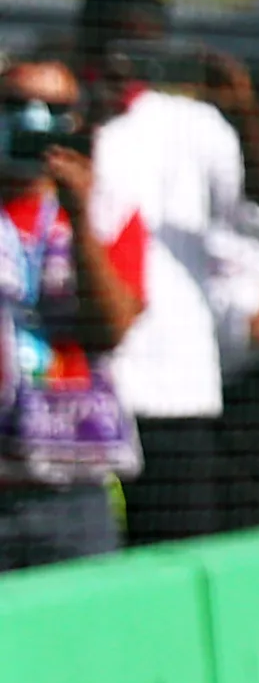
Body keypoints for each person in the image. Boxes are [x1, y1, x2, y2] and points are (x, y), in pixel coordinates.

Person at [77, 0, 259, 542]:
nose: (132, 47)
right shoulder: (58, 111)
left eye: (147, 33)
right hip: (86, 392)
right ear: (90, 29)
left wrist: (245, 117)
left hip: (178, 390)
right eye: (120, 30)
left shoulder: (193, 123)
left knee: (174, 557)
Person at [0, 55, 148, 568]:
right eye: (14, 104)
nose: (32, 120)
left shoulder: (110, 212)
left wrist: (78, 217)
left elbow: (111, 328)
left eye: (53, 108)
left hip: (74, 488)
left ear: (78, 124)